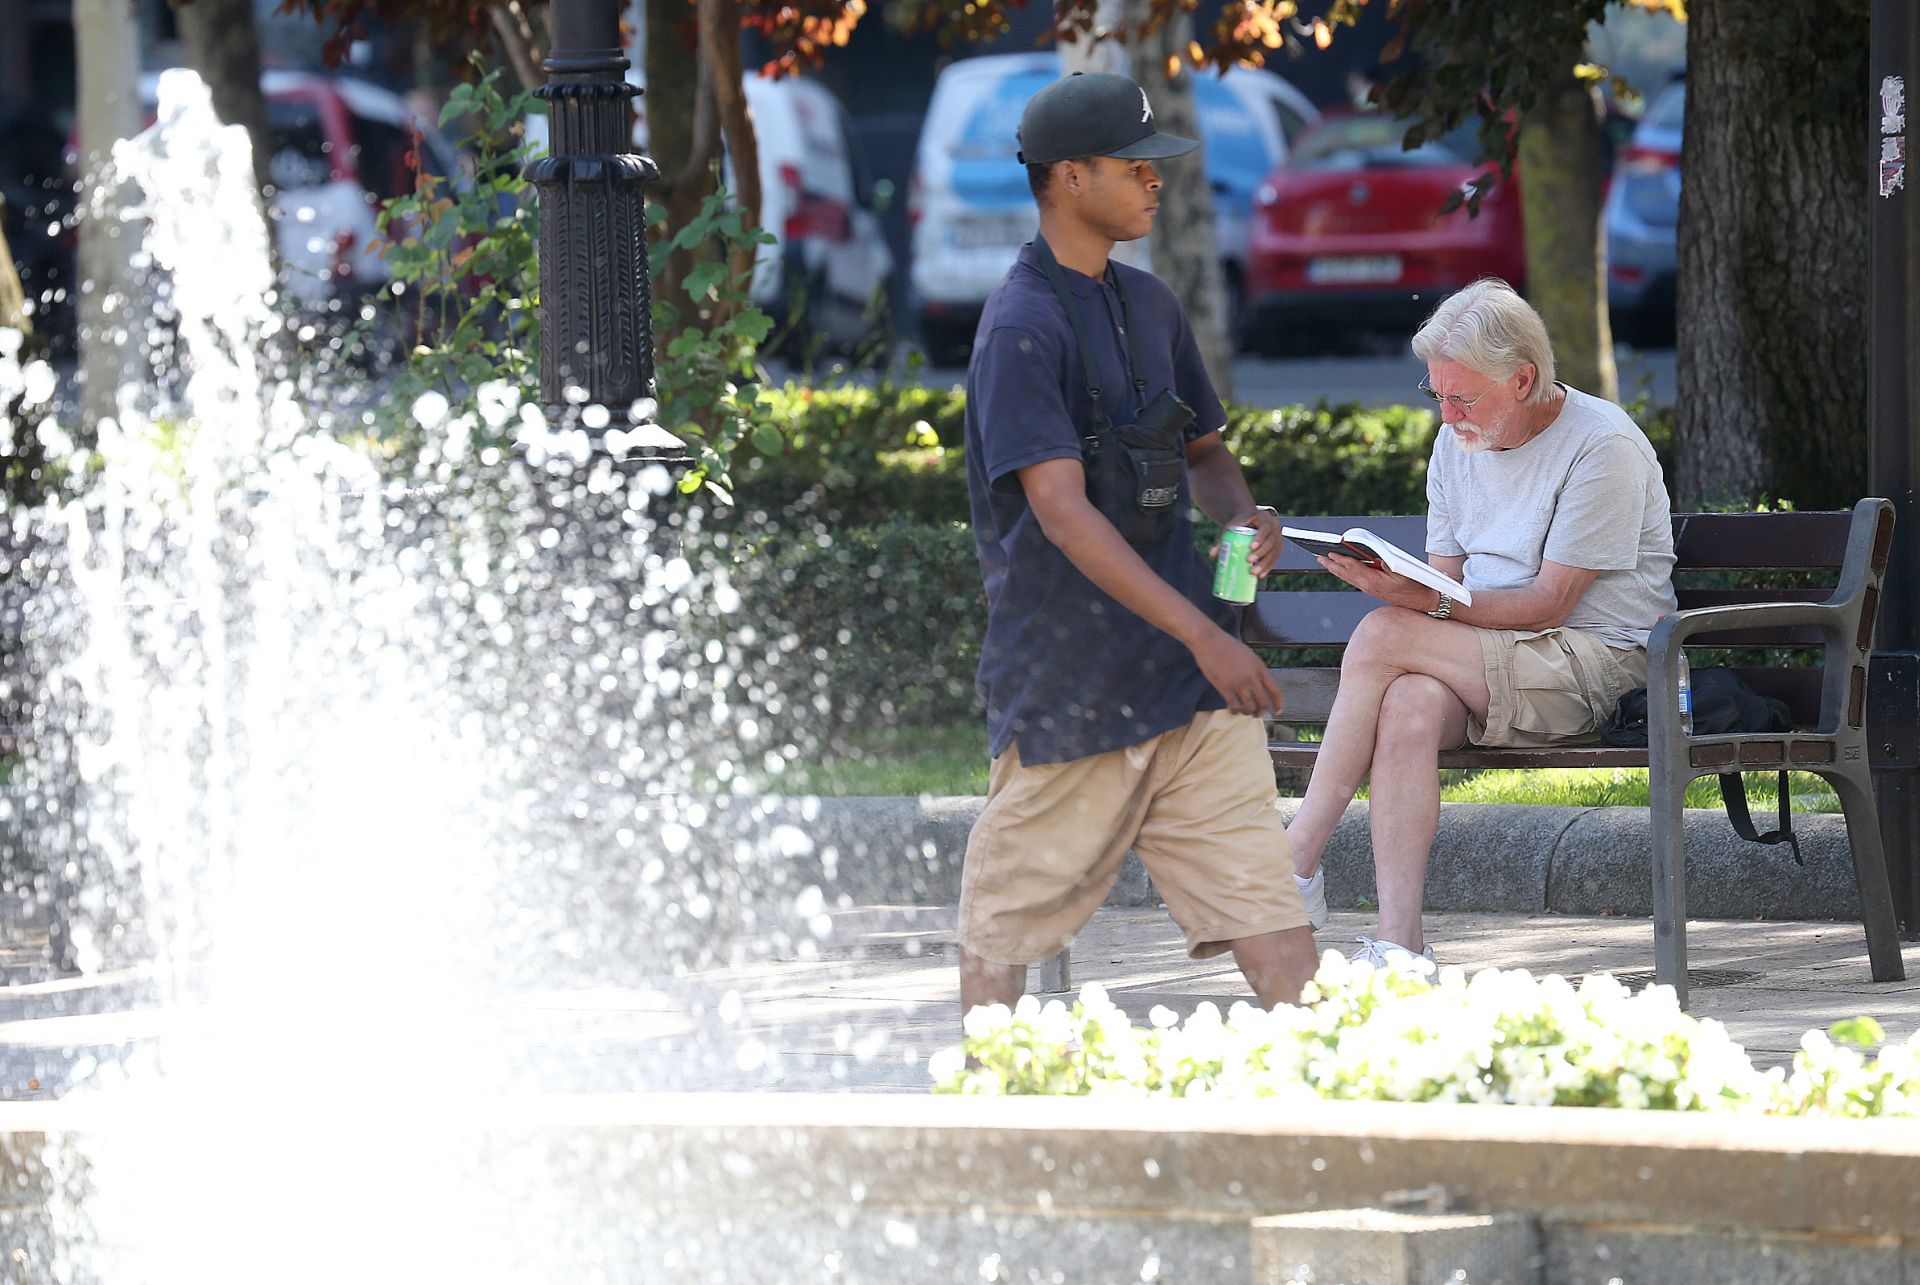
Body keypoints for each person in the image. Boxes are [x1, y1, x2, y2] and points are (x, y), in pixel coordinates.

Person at [956, 71, 1319, 1019]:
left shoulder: (1152, 305)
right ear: (1070, 178)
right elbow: (1064, 515)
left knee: (1271, 918)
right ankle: (985, 1112)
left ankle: (1333, 1114)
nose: (1157, 182)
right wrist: (1210, 637)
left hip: (1193, 695)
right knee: (1002, 929)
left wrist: (1243, 537)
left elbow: (1205, 455)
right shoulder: (1020, 328)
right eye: (1136, 166)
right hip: (1071, 688)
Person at [1285, 277, 1678, 969]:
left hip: (1598, 664)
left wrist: (1413, 603)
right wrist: (1406, 588)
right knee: (1405, 701)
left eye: (1462, 397)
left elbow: (1549, 603)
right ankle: (1401, 949)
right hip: (1496, 656)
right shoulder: (1456, 445)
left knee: (1381, 633)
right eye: (1436, 394)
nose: (1446, 415)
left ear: (1522, 378)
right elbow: (1448, 583)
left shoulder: (1602, 445)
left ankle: (1293, 861)